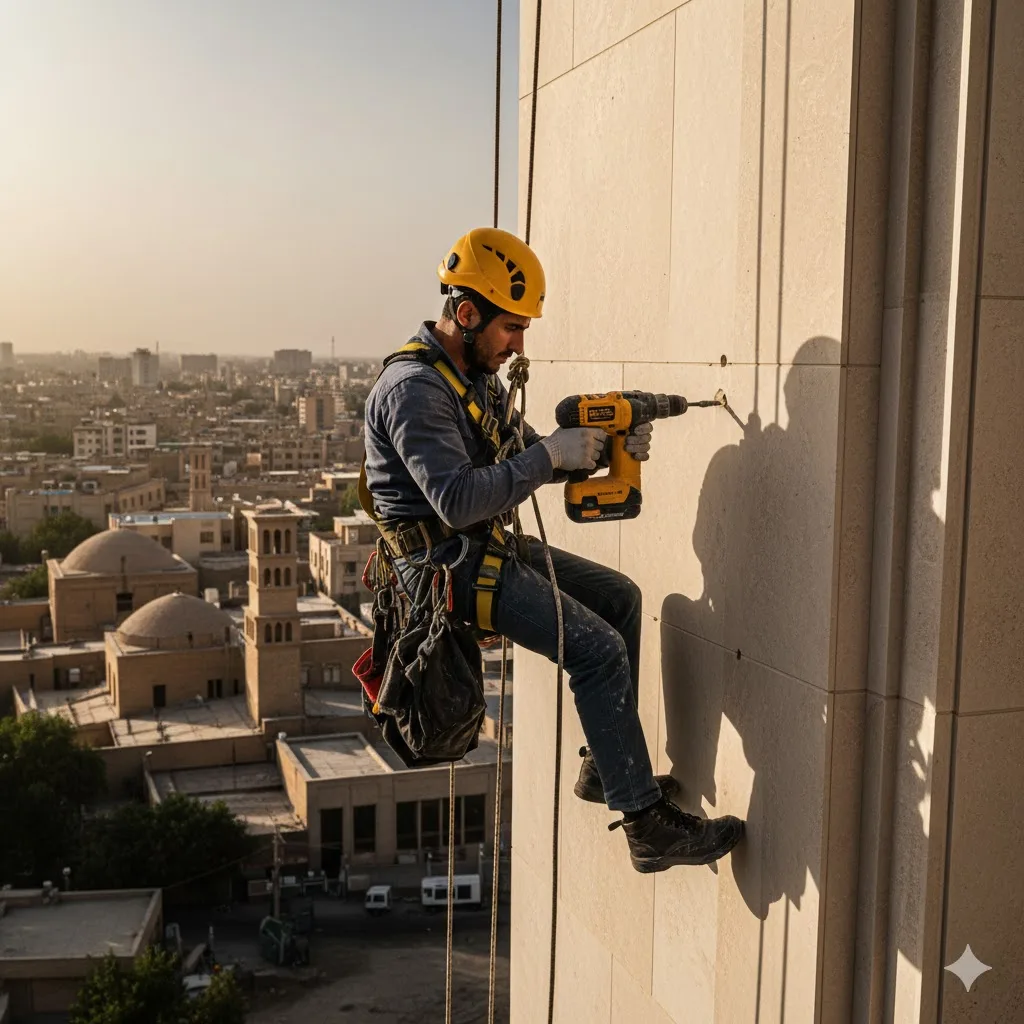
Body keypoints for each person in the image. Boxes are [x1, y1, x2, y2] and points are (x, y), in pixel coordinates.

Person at [362, 227, 744, 872]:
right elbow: (456, 499)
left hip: (479, 547)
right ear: (466, 313)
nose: (518, 344)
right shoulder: (415, 391)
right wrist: (550, 456)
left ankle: (607, 768)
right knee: (595, 650)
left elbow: (523, 454)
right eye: (511, 328)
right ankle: (646, 826)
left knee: (619, 599)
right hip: (441, 569)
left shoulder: (469, 378)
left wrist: (588, 453)